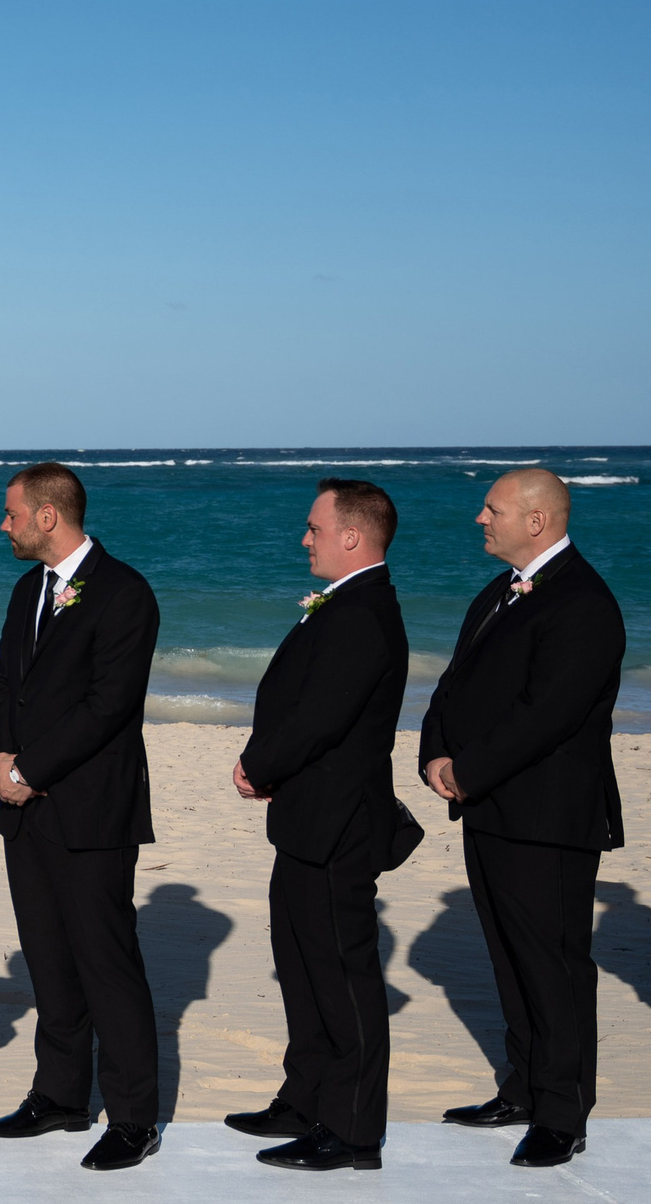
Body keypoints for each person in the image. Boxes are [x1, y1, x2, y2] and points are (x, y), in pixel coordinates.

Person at [418, 468, 626, 1170]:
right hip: (489, 810)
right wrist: (435, 752)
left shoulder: (584, 602)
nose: (481, 518)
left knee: (555, 967)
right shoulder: (498, 592)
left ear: (536, 521)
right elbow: (454, 683)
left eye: (493, 508)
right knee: (509, 959)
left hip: (548, 819)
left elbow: (550, 714)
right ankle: (523, 1088)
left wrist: (468, 771)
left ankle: (563, 1114)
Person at [0, 462, 163, 1170]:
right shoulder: (29, 589)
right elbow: (4, 682)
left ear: (48, 516)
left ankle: (134, 1118)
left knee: (106, 966)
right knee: (50, 962)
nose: (6, 525)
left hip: (91, 813)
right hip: (24, 811)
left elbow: (108, 707)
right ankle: (59, 1096)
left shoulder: (124, 593)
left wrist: (32, 769)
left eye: (12, 513)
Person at [226, 479, 414, 1173]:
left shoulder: (362, 614)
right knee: (301, 967)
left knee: (342, 975)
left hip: (339, 823)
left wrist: (258, 762)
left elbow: (322, 716)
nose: (305, 538)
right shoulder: (344, 604)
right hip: (306, 818)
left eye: (314, 527)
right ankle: (304, 1098)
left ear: (353, 537)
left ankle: (353, 1130)